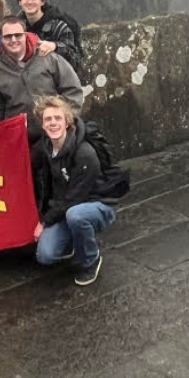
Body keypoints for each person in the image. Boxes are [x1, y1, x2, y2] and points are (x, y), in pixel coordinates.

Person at [30, 95, 117, 286]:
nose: (53, 123)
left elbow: (74, 199)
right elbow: (23, 164)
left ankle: (91, 261)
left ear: (67, 122)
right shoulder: (44, 147)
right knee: (45, 255)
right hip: (64, 209)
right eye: (48, 119)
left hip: (96, 205)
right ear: (42, 125)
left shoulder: (85, 154)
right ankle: (72, 240)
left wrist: (44, 222)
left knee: (76, 215)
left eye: (58, 118)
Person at [0, 16, 84, 140]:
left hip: (54, 134)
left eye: (18, 35)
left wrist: (67, 121)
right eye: (8, 36)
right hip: (21, 139)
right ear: (1, 39)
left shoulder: (47, 57)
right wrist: (3, 135)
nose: (13, 39)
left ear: (25, 35)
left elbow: (73, 90)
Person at [17, 0, 85, 73]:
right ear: (20, 2)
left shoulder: (59, 26)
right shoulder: (17, 28)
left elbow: (74, 57)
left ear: (42, 1)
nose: (29, 2)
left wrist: (55, 46)